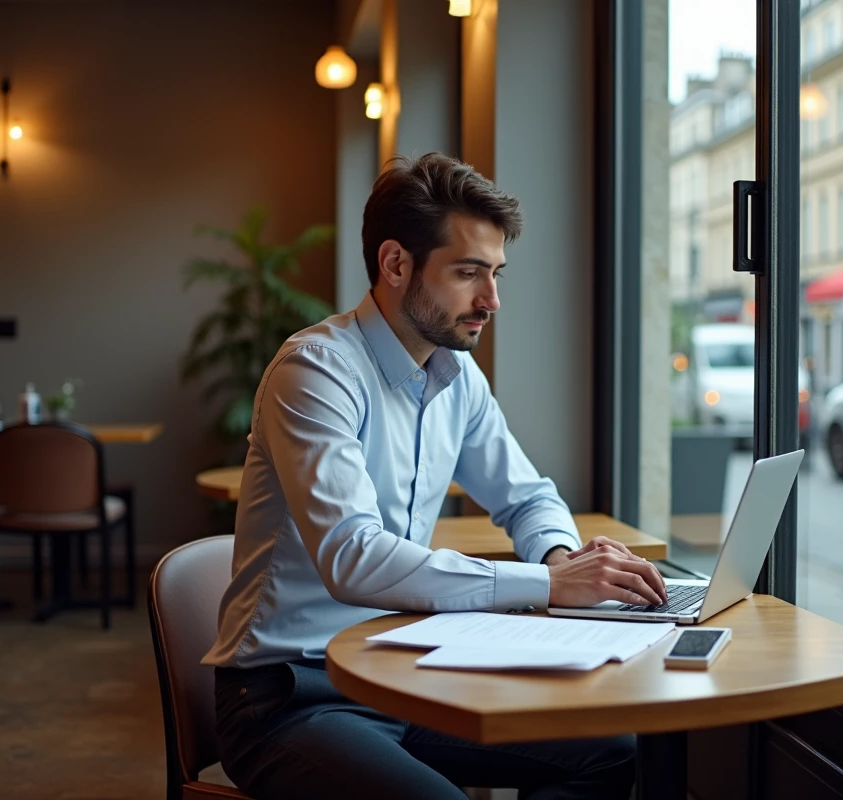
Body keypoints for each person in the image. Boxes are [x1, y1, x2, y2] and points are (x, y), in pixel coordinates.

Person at [203, 152, 669, 799]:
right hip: (290, 697)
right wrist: (550, 585)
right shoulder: (314, 370)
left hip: (401, 673)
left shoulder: (456, 378)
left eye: (496, 274)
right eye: (468, 273)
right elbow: (352, 557)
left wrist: (565, 558)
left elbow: (527, 496)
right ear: (396, 264)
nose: (492, 300)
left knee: (616, 754)